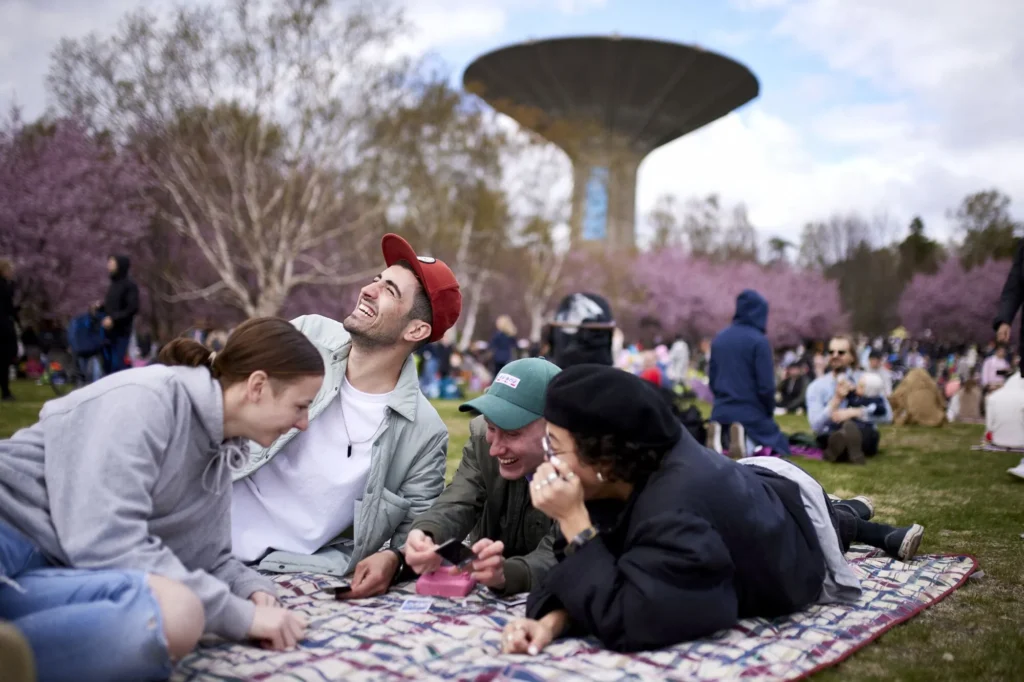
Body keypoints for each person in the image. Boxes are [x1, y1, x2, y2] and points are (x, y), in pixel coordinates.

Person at [500, 365, 924, 655]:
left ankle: (852, 517)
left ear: (604, 460)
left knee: (832, 523)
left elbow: (640, 615)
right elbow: (595, 568)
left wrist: (574, 523)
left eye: (554, 446)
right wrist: (551, 622)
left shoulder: (675, 508)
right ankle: (851, 511)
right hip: (745, 488)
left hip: (789, 522)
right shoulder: (621, 475)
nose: (549, 460)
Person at [0, 317, 323, 682]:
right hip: (11, 529)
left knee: (177, 614)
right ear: (258, 386)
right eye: (301, 406)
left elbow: (208, 558)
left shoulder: (219, 455)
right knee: (182, 610)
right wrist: (241, 618)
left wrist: (252, 592)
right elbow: (104, 540)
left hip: (52, 569)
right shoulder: (149, 397)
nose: (304, 423)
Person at [231, 233, 461, 599]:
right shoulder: (308, 334)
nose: (369, 290)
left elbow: (418, 530)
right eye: (377, 279)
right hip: (207, 521)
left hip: (291, 567)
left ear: (415, 330)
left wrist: (392, 558)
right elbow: (225, 391)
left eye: (390, 290)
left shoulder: (425, 431)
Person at [402, 358, 562, 594]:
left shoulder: (584, 467)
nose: (495, 448)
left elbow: (566, 550)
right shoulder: (481, 440)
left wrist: (509, 574)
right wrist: (426, 533)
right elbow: (459, 500)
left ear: (555, 430)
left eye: (512, 433)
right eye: (491, 427)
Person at [707, 289, 790, 458]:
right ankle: (745, 442)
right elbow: (766, 386)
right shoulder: (759, 341)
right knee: (777, 442)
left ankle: (722, 439)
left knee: (730, 426)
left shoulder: (719, 338)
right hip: (750, 412)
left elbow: (713, 380)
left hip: (721, 410)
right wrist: (768, 410)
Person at [806, 335, 892, 464]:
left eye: (841, 352)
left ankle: (839, 450)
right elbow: (816, 426)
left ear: (852, 357)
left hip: (864, 432)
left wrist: (857, 413)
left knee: (865, 434)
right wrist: (835, 401)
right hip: (831, 432)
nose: (835, 355)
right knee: (831, 437)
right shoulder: (816, 386)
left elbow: (888, 416)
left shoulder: (867, 380)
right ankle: (847, 447)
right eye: (831, 352)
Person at [101, 254, 140, 373]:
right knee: (107, 364)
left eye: (112, 263)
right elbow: (111, 306)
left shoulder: (129, 285)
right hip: (108, 331)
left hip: (122, 331)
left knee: (118, 363)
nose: (109, 265)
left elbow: (132, 308)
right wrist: (99, 307)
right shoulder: (113, 285)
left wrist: (113, 319)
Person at [0, 258, 17, 401]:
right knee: (4, 359)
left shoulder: (7, 286)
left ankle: (5, 391)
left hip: (5, 326)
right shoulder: (5, 287)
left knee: (4, 361)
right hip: (3, 327)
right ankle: (5, 392)